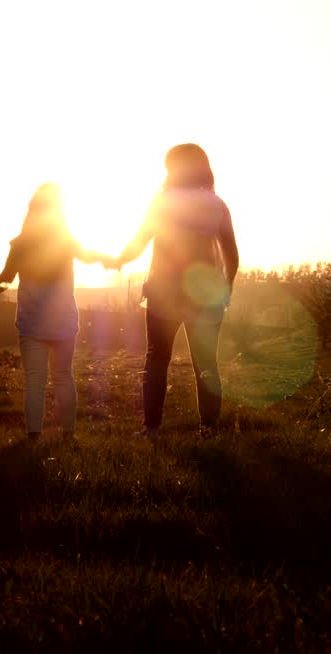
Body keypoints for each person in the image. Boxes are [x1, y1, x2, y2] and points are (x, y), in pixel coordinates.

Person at [107, 143, 239, 441]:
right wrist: (226, 287)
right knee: (205, 363)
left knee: (156, 359)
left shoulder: (162, 202)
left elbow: (138, 243)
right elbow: (232, 254)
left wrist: (117, 260)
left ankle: (152, 429)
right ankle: (209, 429)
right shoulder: (216, 205)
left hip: (164, 296)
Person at [0, 183, 110, 443]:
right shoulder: (66, 242)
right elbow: (89, 256)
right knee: (63, 376)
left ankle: (33, 437)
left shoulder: (21, 244)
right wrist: (110, 259)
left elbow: (4, 280)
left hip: (31, 322)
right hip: (64, 322)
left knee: (34, 380)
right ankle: (69, 434)